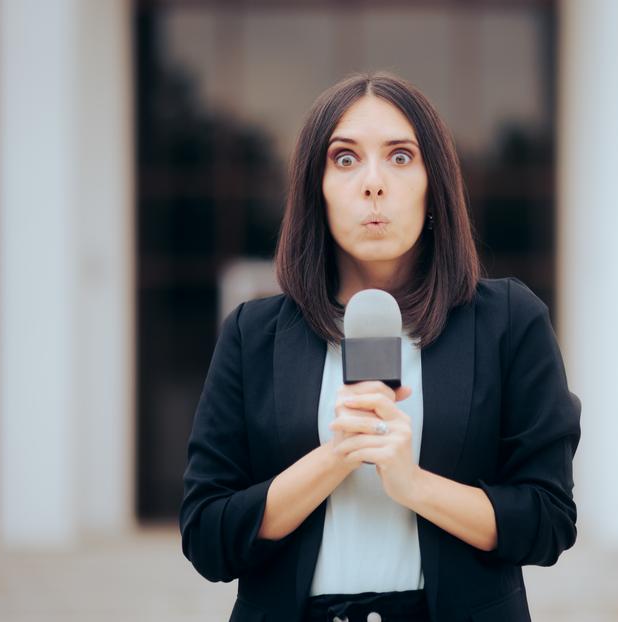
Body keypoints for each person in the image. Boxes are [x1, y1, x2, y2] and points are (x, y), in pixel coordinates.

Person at [180, 72, 581, 622]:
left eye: (399, 157)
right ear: (314, 190)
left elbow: (548, 520)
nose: (373, 183)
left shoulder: (508, 322)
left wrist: (412, 483)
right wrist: (334, 457)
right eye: (345, 159)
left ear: (433, 183)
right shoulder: (254, 335)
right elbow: (207, 535)